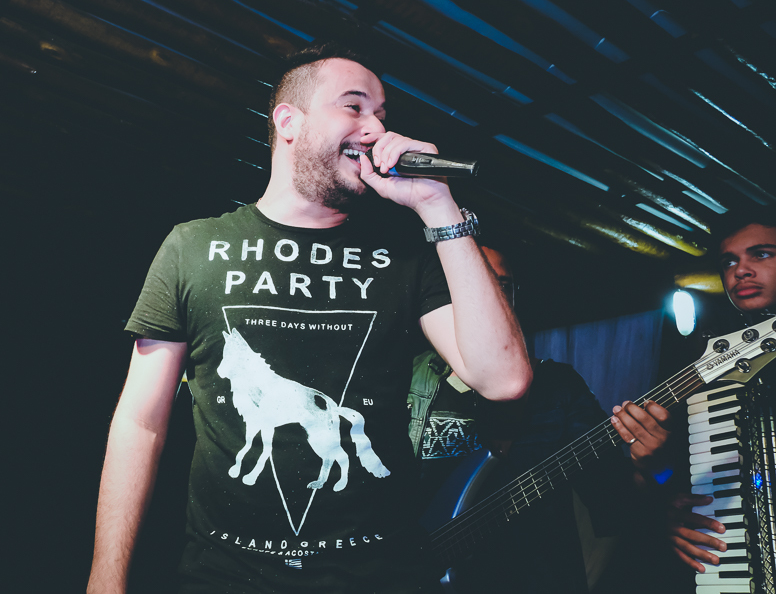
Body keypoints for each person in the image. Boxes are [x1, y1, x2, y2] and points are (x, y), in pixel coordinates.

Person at [86, 43, 532, 593]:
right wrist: (106, 579)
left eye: (382, 115)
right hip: (222, 579)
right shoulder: (193, 246)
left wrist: (439, 206)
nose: (374, 128)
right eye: (354, 106)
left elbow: (504, 380)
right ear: (288, 121)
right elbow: (140, 422)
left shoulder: (408, 256)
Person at [409, 243, 672, 593]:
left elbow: (614, 505)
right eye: (477, 281)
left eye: (503, 286)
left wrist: (651, 466)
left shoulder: (558, 386)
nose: (491, 295)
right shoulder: (400, 376)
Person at [667, 208, 776, 573]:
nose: (740, 270)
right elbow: (677, 475)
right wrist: (674, 506)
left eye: (761, 254)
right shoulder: (717, 368)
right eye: (729, 261)